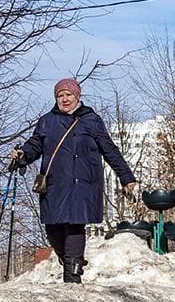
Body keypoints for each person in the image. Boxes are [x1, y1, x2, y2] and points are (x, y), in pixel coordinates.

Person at [12, 78, 137, 283]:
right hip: (55, 184)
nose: (64, 99)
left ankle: (73, 275)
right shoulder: (47, 121)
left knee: (74, 226)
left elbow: (109, 149)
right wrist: (22, 154)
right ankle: (70, 261)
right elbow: (35, 145)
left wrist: (126, 177)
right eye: (60, 95)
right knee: (53, 229)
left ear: (77, 96)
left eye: (68, 95)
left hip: (83, 184)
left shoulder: (91, 120)